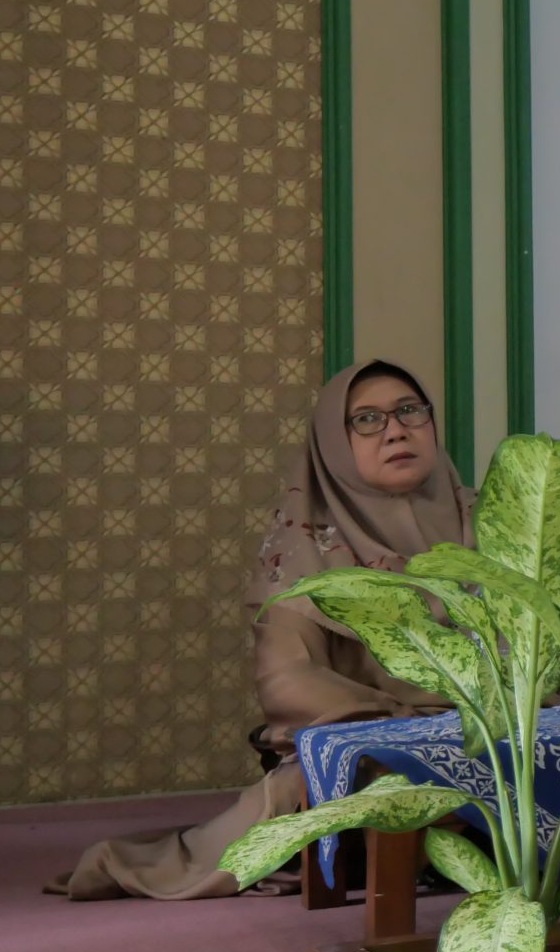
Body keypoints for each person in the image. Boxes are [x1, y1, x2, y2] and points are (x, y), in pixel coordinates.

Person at [54, 362, 475, 901]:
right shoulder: (306, 549)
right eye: (367, 419)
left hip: (496, 731)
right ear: (333, 445)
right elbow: (288, 679)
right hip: (376, 736)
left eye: (409, 411)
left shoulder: (491, 526)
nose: (395, 431)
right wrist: (406, 724)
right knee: (344, 780)